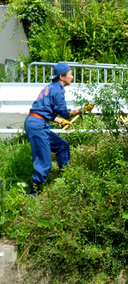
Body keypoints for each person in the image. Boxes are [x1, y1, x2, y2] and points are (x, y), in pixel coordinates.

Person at [25, 62, 91, 196]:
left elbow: (43, 110)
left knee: (62, 145)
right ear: (62, 76)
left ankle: (64, 177)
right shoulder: (58, 90)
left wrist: (59, 120)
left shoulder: (52, 87)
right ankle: (33, 191)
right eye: (70, 74)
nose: (72, 77)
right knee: (45, 162)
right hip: (37, 125)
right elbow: (65, 112)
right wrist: (81, 110)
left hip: (37, 122)